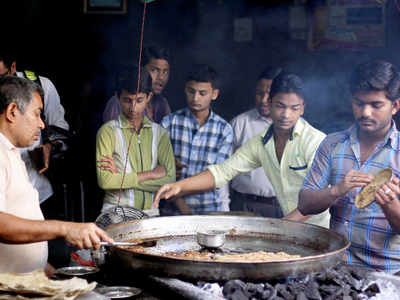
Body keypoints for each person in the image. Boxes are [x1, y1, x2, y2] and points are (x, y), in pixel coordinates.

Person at [155, 72, 330, 227]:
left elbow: (318, 200)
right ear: (269, 103)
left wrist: (280, 228)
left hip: (320, 230)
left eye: (294, 108)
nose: (286, 115)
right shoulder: (261, 143)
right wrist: (178, 186)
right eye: (280, 106)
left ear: (303, 108)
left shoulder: (316, 142)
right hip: (290, 227)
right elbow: (223, 171)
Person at [0, 76, 113, 274]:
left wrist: (48, 272)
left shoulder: (13, 153)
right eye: (37, 114)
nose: (42, 124)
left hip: (28, 280)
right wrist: (66, 229)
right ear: (12, 112)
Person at [298, 60, 400, 273]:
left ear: (395, 106)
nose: (365, 113)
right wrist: (336, 190)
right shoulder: (333, 144)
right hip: (336, 267)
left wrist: (390, 205)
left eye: (376, 105)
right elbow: (305, 204)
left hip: (386, 273)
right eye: (359, 103)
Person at [96, 67, 175, 216]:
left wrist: (121, 178)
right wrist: (150, 174)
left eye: (139, 100)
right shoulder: (107, 132)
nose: (133, 108)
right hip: (115, 214)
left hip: (151, 215)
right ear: (117, 97)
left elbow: (169, 180)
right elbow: (105, 181)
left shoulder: (160, 133)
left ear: (149, 97)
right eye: (127, 100)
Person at [160, 64, 233, 215]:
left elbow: (217, 177)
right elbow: (159, 172)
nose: (195, 98)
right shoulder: (169, 123)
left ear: (214, 94)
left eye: (202, 93)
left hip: (210, 211)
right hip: (171, 212)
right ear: (185, 89)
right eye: (191, 91)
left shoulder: (224, 130)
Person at [0, 52, 69, 208]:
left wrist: (51, 147)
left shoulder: (40, 86)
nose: (41, 124)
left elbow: (60, 130)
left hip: (39, 191)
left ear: (12, 67)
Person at [230, 66, 283, 217]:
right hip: (244, 206)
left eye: (269, 94)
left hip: (281, 208)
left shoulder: (295, 127)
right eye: (260, 94)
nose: (264, 100)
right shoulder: (240, 123)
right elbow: (223, 171)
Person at [103, 45, 171, 123]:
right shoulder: (118, 102)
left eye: (165, 72)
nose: (161, 77)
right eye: (154, 70)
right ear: (141, 69)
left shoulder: (162, 103)